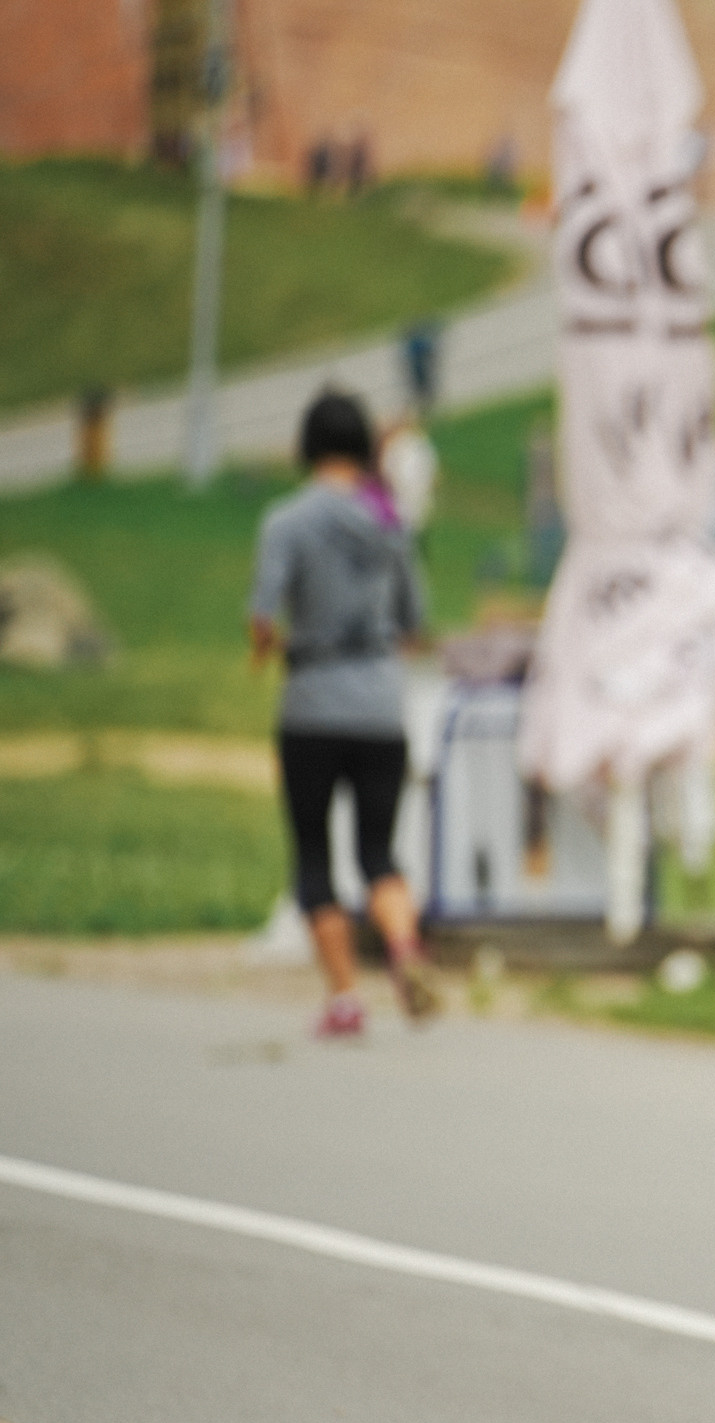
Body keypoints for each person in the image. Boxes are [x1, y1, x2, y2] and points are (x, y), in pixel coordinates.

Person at [250, 392, 442, 1037]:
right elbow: (416, 622)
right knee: (378, 851)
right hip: (382, 705)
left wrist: (270, 649)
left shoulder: (287, 521)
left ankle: (344, 999)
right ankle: (406, 949)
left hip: (311, 701)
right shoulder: (390, 524)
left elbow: (262, 617)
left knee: (312, 853)